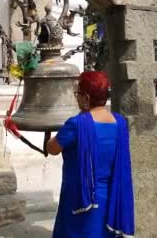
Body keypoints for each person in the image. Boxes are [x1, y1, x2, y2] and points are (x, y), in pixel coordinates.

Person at [47, 71, 134, 238]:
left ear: (86, 97)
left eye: (78, 94)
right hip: (111, 199)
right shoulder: (120, 122)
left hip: (82, 199)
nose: (76, 98)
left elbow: (52, 149)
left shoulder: (76, 124)